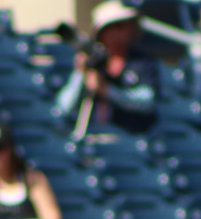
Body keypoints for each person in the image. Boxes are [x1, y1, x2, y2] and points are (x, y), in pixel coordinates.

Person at [54, 1, 159, 135]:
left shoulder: (142, 62)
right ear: (103, 32)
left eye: (128, 25)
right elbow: (64, 108)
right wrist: (80, 74)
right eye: (118, 26)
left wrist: (106, 91)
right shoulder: (92, 61)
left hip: (132, 140)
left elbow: (147, 102)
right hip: (93, 139)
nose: (126, 30)